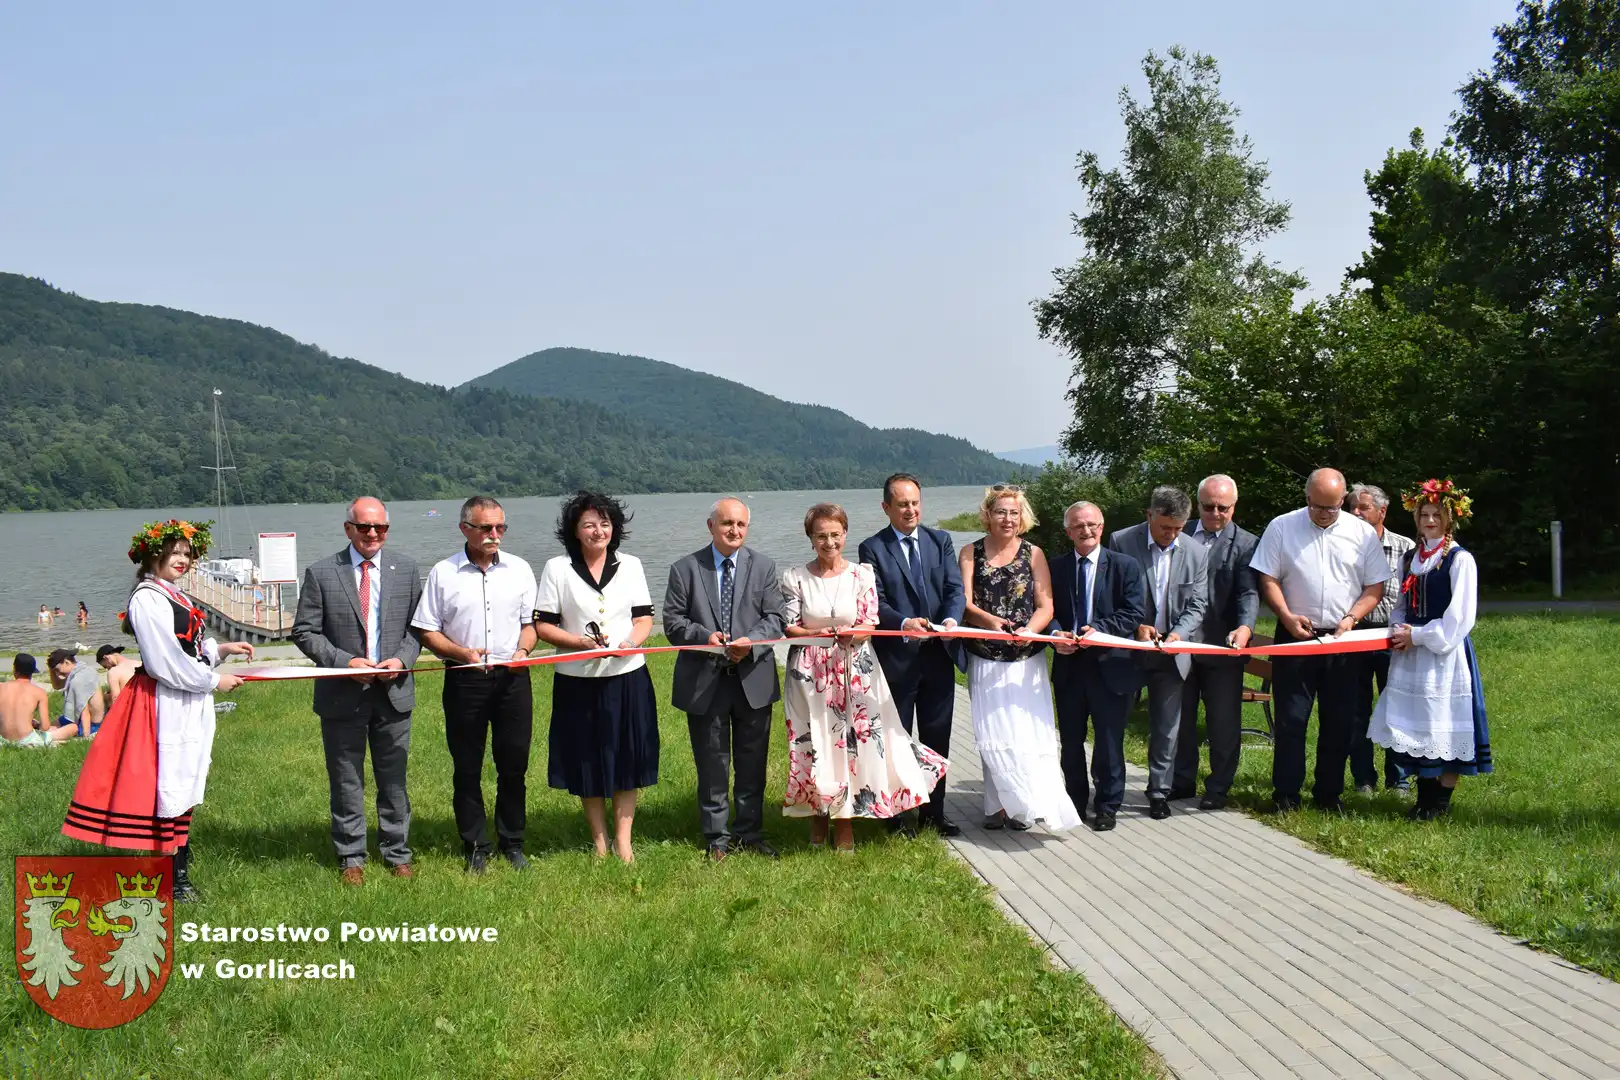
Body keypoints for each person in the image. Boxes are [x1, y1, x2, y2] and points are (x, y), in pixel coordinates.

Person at [61, 519, 254, 901]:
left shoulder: (171, 593)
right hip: (163, 701)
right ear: (153, 557)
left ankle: (179, 854)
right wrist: (213, 681)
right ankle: (172, 875)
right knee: (171, 781)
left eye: (187, 553)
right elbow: (164, 661)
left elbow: (186, 650)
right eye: (174, 553)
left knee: (187, 776)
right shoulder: (147, 598)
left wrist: (219, 650)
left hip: (183, 697)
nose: (182, 559)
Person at [781, 503, 949, 852]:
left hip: (855, 670)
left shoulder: (862, 575)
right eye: (821, 536)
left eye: (835, 534)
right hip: (810, 674)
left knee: (850, 748)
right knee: (814, 745)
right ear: (810, 538)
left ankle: (845, 821)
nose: (829, 542)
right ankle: (817, 816)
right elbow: (790, 626)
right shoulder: (794, 577)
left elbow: (870, 621)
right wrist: (819, 633)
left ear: (845, 534)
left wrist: (854, 635)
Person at [291, 497, 424, 885]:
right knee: (346, 778)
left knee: (393, 778)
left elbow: (418, 628)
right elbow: (304, 631)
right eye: (365, 527)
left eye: (380, 527)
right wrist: (344, 662)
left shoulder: (407, 569)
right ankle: (351, 856)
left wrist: (402, 660)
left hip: (393, 691)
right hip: (341, 694)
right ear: (348, 528)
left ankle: (397, 851)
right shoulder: (321, 573)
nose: (372, 534)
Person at [1249, 469, 1390, 812]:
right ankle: (1286, 794)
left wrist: (1352, 617)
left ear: (1343, 501)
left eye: (1333, 507)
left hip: (1343, 638)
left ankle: (1329, 794)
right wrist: (1286, 616)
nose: (1325, 513)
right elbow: (1267, 579)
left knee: (1340, 720)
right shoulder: (1282, 527)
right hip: (1295, 635)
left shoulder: (1361, 532)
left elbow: (1375, 586)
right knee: (1291, 718)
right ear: (1307, 497)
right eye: (1317, 506)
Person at [412, 495, 539, 874]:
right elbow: (427, 631)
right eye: (486, 528)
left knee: (513, 764)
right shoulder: (443, 573)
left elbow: (530, 625)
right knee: (467, 766)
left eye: (501, 527)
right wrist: (460, 652)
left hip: (512, 680)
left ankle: (512, 843)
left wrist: (523, 650)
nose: (494, 535)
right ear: (464, 528)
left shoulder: (519, 569)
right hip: (464, 679)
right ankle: (475, 847)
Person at [532, 491, 659, 864]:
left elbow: (644, 619)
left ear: (614, 528)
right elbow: (543, 625)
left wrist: (628, 644)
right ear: (575, 530)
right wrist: (577, 643)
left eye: (605, 524)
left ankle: (624, 842)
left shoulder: (631, 565)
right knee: (586, 757)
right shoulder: (557, 568)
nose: (598, 531)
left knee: (627, 757)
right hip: (577, 679)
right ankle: (600, 843)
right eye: (589, 524)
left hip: (627, 675)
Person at [664, 497, 787, 861]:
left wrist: (750, 642)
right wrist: (706, 638)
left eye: (741, 524)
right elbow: (672, 622)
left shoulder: (763, 566)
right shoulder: (685, 568)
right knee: (712, 763)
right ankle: (716, 838)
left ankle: (749, 832)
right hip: (706, 681)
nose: (734, 530)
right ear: (711, 526)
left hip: (753, 679)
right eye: (727, 523)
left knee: (753, 762)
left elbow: (776, 618)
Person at [958, 485, 1082, 831]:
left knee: (1027, 733)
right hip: (986, 656)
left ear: (1022, 517)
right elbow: (964, 602)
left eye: (1014, 513)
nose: (1007, 519)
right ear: (988, 515)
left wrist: (1031, 629)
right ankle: (995, 804)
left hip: (1027, 659)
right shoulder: (970, 552)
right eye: (1001, 512)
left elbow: (1046, 605)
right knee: (993, 731)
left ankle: (1024, 806)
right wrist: (990, 622)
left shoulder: (1034, 553)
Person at [1368, 480, 1489, 820]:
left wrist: (1418, 636)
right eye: (1424, 515)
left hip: (1444, 653)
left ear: (1450, 519)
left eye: (1437, 515)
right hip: (1412, 653)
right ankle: (1423, 800)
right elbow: (1400, 605)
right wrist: (1399, 630)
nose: (1430, 520)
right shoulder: (1411, 558)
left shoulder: (1460, 560)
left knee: (1443, 722)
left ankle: (1440, 802)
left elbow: (1460, 617)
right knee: (1419, 724)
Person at [856, 473, 966, 837]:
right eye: (902, 504)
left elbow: (954, 589)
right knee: (896, 738)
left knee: (938, 736)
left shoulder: (940, 541)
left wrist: (951, 620)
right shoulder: (872, 548)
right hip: (897, 659)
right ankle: (897, 816)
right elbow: (877, 601)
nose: (910, 510)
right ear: (886, 507)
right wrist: (904, 623)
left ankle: (934, 815)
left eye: (915, 503)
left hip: (938, 656)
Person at [1107, 486, 1210, 820]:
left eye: (1178, 528)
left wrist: (1179, 633)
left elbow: (1198, 603)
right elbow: (1114, 595)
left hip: (1172, 651)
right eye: (1165, 527)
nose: (1171, 534)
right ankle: (1110, 791)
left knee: (1167, 728)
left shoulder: (1196, 552)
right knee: (1114, 722)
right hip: (1130, 648)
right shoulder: (1122, 541)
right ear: (1149, 515)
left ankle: (1159, 792)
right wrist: (1137, 626)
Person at [1048, 501, 1147, 832]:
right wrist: (1055, 634)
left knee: (1108, 741)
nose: (1086, 530)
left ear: (1102, 527)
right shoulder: (1055, 567)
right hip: (1069, 667)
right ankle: (1075, 801)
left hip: (1111, 667)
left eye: (1091, 524)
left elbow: (1134, 612)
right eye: (1078, 526)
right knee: (1071, 741)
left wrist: (1100, 630)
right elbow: (1046, 610)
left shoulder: (1125, 566)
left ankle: (1107, 804)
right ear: (1068, 532)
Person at [1174, 474, 1260, 810]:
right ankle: (1181, 782)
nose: (1215, 513)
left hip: (1222, 648)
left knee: (1223, 724)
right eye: (1208, 507)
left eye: (1223, 508)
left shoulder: (1247, 544)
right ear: (1197, 505)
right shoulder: (1179, 533)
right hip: (1181, 645)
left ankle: (1218, 788)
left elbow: (1248, 592)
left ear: (1234, 507)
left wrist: (1245, 627)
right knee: (1180, 720)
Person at [1347, 482, 1416, 795]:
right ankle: (1363, 778)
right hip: (1355, 637)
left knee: (1396, 708)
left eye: (1363, 508)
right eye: (1352, 507)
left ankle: (1398, 779)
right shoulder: (1342, 544)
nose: (1356, 513)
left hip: (1393, 640)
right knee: (1355, 709)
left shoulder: (1405, 548)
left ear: (1382, 511)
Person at [1, 655, 76, 747]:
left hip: (3, 739)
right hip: (26, 739)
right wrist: (37, 725)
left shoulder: (1, 687)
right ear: (32, 673)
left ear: (14, 670)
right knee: (73, 727)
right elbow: (45, 727)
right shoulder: (39, 692)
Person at [48, 648, 105, 738]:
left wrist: (86, 736)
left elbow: (84, 710)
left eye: (57, 670)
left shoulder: (78, 680)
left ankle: (46, 736)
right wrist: (51, 668)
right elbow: (57, 686)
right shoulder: (84, 669)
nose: (58, 674)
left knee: (62, 729)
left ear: (66, 662)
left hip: (91, 724)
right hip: (80, 719)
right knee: (48, 726)